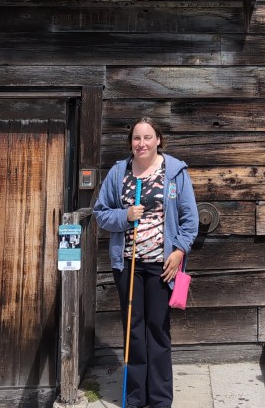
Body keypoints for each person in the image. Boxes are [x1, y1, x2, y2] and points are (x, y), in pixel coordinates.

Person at [94, 117, 199, 408]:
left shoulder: (175, 172)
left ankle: (161, 400)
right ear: (131, 142)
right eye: (136, 138)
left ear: (158, 140)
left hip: (161, 266)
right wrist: (125, 216)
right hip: (128, 265)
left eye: (147, 137)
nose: (141, 143)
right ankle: (135, 398)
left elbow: (191, 221)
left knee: (158, 330)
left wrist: (179, 252)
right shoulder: (119, 173)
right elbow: (101, 213)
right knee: (134, 331)